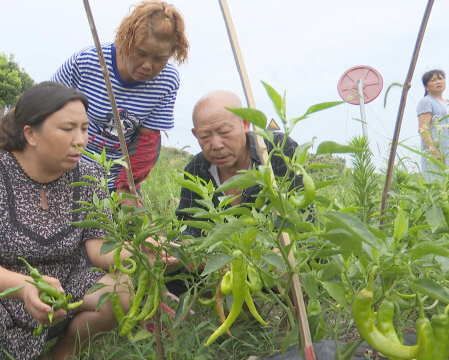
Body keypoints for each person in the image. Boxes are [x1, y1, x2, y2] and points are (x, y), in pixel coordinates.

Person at [0, 82, 132, 360]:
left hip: (61, 294)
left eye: (85, 128)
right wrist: (24, 286)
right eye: (67, 129)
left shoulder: (87, 175)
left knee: (120, 289)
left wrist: (141, 255)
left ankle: (60, 355)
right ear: (31, 134)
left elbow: (98, 245)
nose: (80, 140)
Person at [166, 90, 302, 296]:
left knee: (301, 262)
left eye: (225, 132)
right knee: (173, 273)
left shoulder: (277, 150)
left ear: (245, 123)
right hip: (223, 264)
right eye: (205, 137)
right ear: (195, 135)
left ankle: (291, 316)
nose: (217, 145)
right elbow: (188, 224)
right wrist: (189, 251)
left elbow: (302, 216)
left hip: (272, 259)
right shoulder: (197, 168)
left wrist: (272, 254)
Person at [51, 0, 189, 202]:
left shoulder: (167, 81)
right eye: (141, 53)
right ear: (127, 40)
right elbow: (44, 110)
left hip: (117, 179)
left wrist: (126, 187)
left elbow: (147, 143)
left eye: (159, 58)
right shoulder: (89, 61)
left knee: (132, 229)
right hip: (66, 169)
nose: (147, 65)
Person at [417, 69, 449, 182]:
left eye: (440, 78)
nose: (438, 82)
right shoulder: (426, 102)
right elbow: (423, 129)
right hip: (438, 150)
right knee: (439, 183)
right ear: (426, 86)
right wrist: (435, 152)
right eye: (433, 80)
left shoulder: (447, 102)